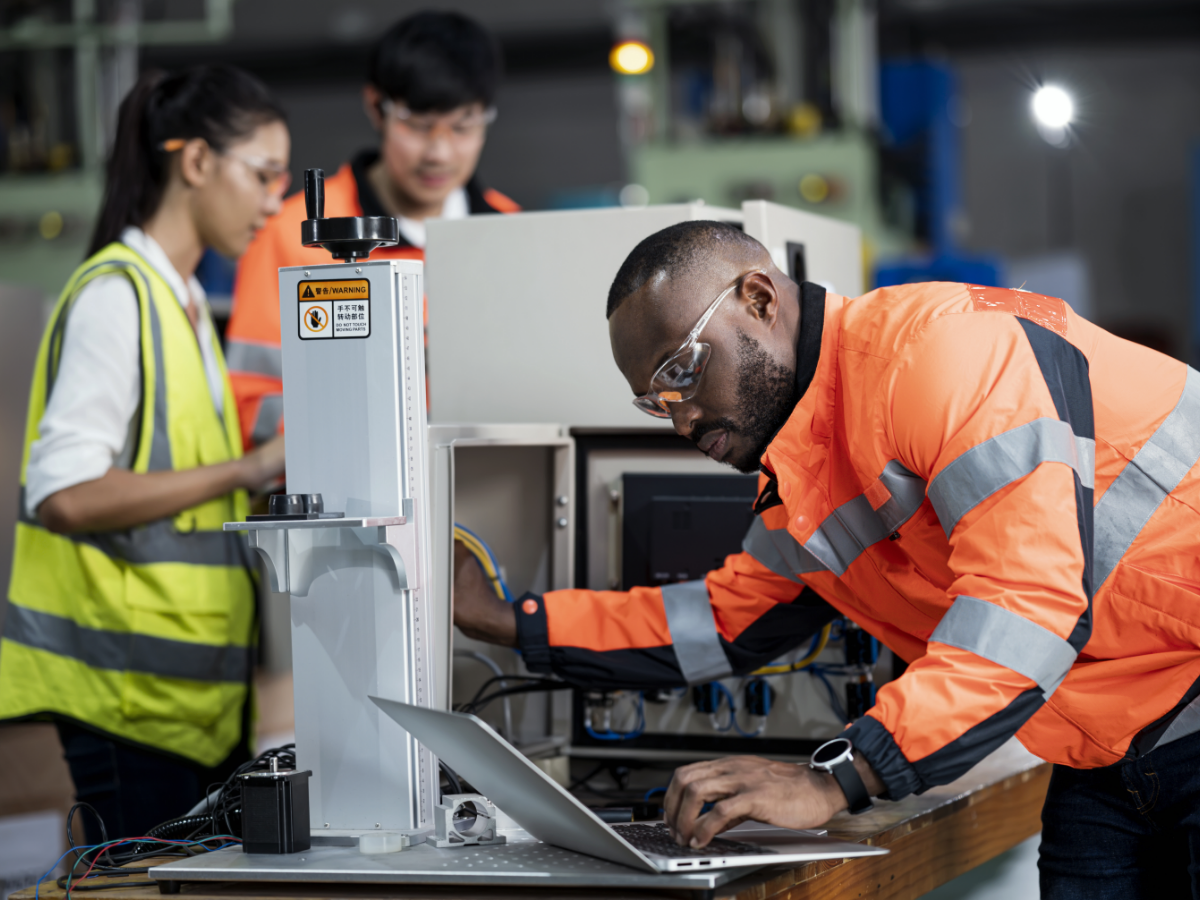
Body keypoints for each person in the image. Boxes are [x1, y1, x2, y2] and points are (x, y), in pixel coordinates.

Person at [452, 220, 1200, 898]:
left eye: (680, 371)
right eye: (655, 400)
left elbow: (1027, 604)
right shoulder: (804, 476)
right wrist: (509, 620)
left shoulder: (941, 356)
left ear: (758, 299)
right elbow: (715, 623)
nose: (678, 417)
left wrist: (841, 775)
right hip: (1107, 754)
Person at [0, 65, 290, 838]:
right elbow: (61, 494)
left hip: (189, 704)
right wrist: (248, 467)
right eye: (262, 174)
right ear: (195, 162)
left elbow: (186, 502)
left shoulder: (184, 302)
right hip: (124, 703)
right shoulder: (115, 297)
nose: (274, 200)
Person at [226, 9, 519, 448]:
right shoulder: (292, 234)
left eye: (463, 126)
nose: (439, 152)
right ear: (375, 108)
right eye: (418, 126)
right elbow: (251, 404)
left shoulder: (513, 235)